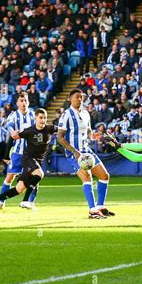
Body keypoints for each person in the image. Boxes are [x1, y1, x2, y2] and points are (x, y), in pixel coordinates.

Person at [57, 89, 115, 219]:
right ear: (69, 99)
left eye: (81, 97)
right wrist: (75, 152)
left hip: (86, 151)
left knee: (104, 176)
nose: (80, 99)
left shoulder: (86, 113)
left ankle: (100, 207)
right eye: (77, 97)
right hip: (74, 153)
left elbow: (89, 132)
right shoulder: (66, 115)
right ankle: (92, 210)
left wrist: (97, 136)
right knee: (87, 177)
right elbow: (60, 137)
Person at [0, 109, 57, 212]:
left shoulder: (49, 129)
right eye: (40, 118)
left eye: (45, 118)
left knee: (19, 189)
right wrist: (6, 156)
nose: (43, 120)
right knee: (39, 174)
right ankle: (26, 201)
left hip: (37, 161)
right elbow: (13, 137)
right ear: (35, 118)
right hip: (28, 159)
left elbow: (63, 129)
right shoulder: (29, 130)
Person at [0, 92, 37, 210]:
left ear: (28, 102)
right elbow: (10, 127)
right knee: (10, 178)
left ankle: (30, 203)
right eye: (21, 101)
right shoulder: (14, 115)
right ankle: (1, 201)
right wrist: (12, 132)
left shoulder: (33, 115)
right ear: (17, 103)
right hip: (17, 153)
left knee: (35, 177)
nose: (24, 103)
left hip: (31, 153)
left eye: (25, 100)